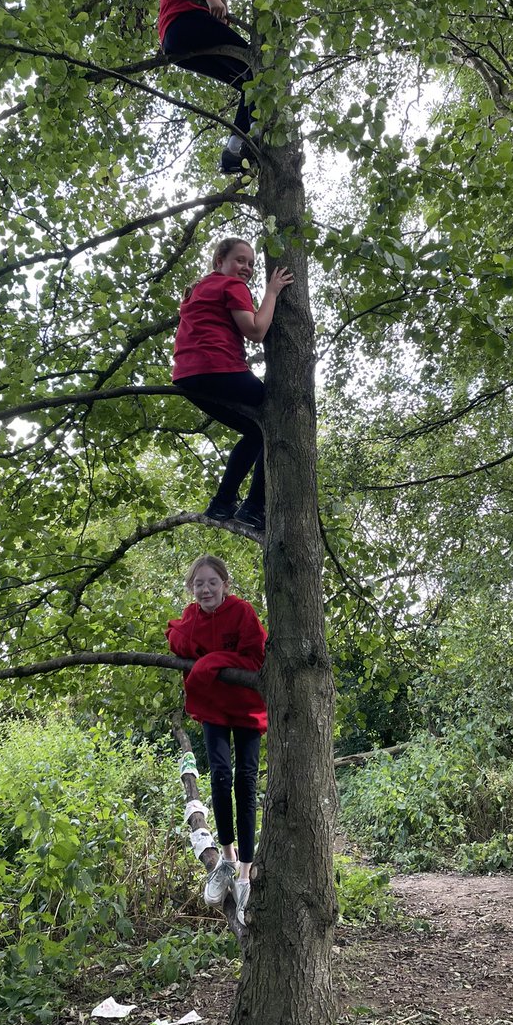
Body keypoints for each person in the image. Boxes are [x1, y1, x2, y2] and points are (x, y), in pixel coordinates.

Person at [166, 554, 268, 925]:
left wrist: (208, 663)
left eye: (212, 582)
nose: (205, 589)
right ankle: (225, 860)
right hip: (212, 707)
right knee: (221, 776)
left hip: (246, 708)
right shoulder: (192, 616)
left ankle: (245, 873)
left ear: (225, 584)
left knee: (246, 780)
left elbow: (254, 656)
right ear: (192, 589)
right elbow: (175, 635)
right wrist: (199, 654)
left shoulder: (243, 613)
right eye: (198, 584)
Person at [173, 236, 293, 533]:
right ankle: (253, 507)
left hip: (188, 377)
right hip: (217, 369)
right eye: (240, 260)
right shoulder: (232, 286)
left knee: (255, 431)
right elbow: (255, 330)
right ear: (219, 262)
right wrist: (272, 292)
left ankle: (222, 504)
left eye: (251, 263)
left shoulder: (198, 290)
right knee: (277, 420)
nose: (247, 268)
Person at [158, 0, 255, 174]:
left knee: (250, 79)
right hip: (181, 25)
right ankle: (259, 130)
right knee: (254, 62)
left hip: (187, 45)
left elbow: (221, 21)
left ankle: (235, 150)